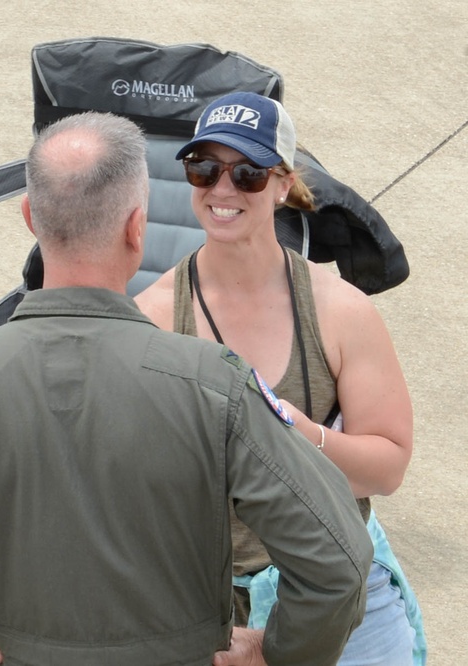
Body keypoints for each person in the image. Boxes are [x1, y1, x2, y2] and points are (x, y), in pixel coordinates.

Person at [0, 111, 373, 666]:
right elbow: (336, 561)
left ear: (31, 217)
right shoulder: (214, 385)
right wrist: (276, 651)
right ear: (138, 227)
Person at [136, 91, 426, 665]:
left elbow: (388, 468)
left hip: (338, 589)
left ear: (282, 183)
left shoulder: (338, 309)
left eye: (245, 173)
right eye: (203, 168)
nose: (221, 189)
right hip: (210, 604)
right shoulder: (153, 316)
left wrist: (291, 435)